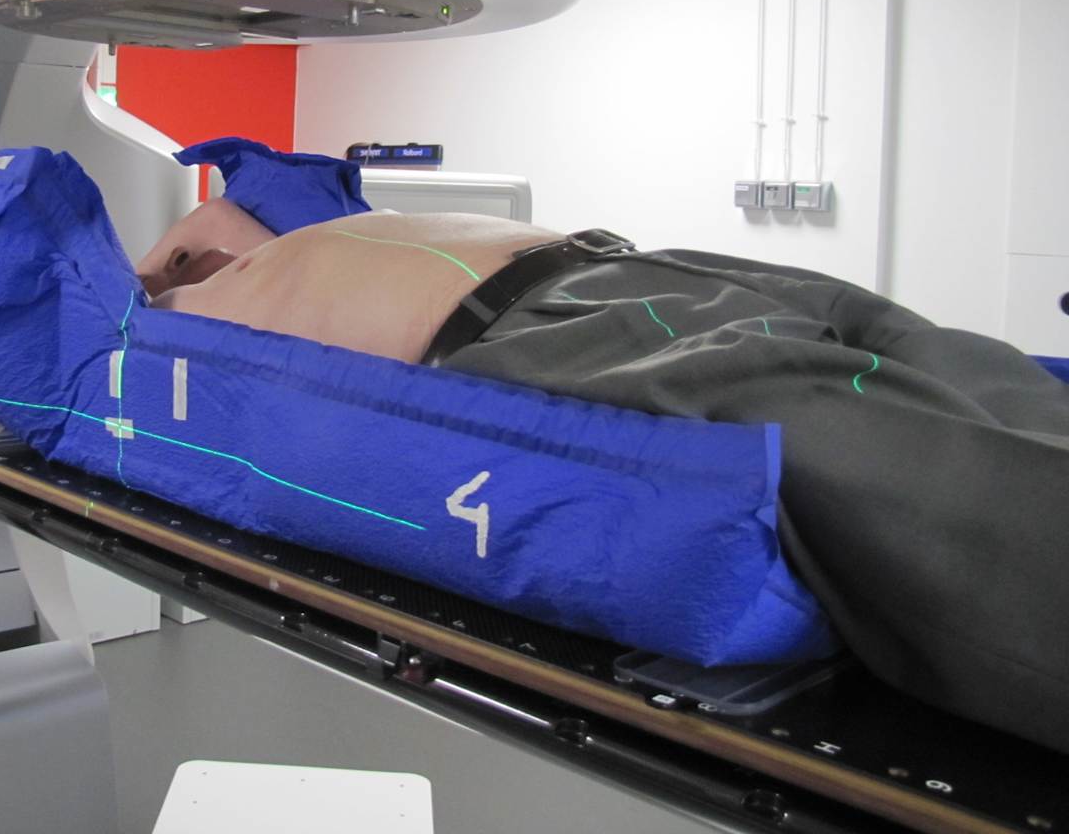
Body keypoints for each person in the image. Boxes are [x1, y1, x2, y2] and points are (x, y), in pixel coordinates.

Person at [133, 147, 1069, 755]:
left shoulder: (274, 218)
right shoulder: (176, 314)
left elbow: (233, 208)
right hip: (540, 328)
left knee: (969, 368)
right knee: (905, 469)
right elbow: (107, 336)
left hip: (646, 267)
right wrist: (157, 280)